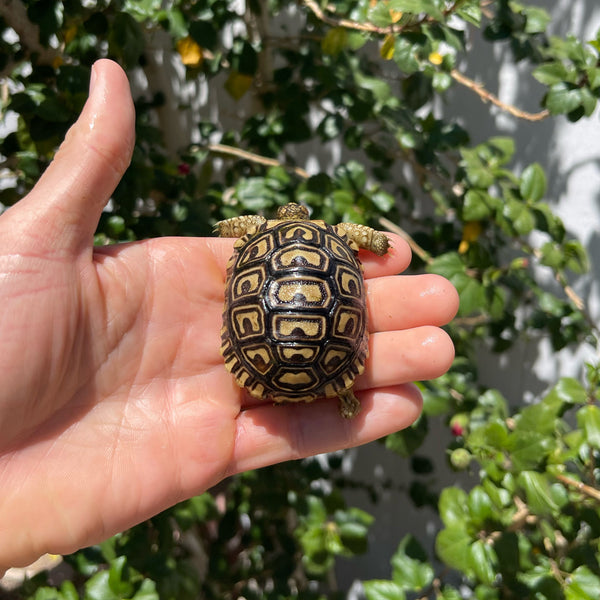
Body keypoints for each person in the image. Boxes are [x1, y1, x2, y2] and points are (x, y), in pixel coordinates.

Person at [0, 59, 458, 573]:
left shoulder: (257, 234)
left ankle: (339, 388)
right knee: (344, 363)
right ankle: (341, 386)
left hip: (258, 352)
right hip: (329, 355)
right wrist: (371, 238)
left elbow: (236, 229)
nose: (297, 214)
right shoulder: (335, 239)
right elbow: (365, 240)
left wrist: (239, 226)